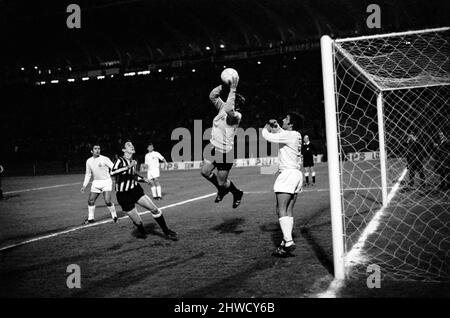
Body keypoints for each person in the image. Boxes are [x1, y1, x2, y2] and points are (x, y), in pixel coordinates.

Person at [111, 140, 177, 240]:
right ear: (124, 149)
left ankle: (166, 231)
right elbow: (113, 173)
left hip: (135, 190)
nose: (132, 146)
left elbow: (133, 176)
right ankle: (142, 233)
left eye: (132, 144)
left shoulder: (133, 161)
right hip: (123, 195)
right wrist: (128, 167)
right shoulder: (120, 161)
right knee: (138, 221)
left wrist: (144, 180)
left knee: (154, 209)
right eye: (129, 145)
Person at [262, 112, 303, 257]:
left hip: (288, 174)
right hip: (297, 174)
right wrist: (277, 126)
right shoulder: (295, 135)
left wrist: (265, 128)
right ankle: (285, 243)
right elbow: (281, 132)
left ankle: (289, 241)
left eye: (286, 119)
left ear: (291, 124)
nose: (283, 119)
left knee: (280, 210)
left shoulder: (290, 135)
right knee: (288, 210)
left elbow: (268, 136)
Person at [200, 75, 244, 209]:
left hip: (225, 153)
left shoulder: (236, 116)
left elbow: (229, 109)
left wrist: (233, 89)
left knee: (221, 182)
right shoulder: (223, 107)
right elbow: (212, 96)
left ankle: (237, 193)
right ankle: (223, 190)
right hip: (213, 147)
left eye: (233, 100)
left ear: (237, 105)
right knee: (205, 172)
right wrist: (223, 86)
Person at [80, 144, 117, 224]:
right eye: (95, 149)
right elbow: (88, 174)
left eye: (99, 149)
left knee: (107, 201)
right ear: (91, 151)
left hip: (106, 182)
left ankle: (114, 215)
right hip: (96, 183)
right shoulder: (89, 161)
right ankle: (90, 218)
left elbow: (114, 167)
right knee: (90, 200)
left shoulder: (105, 159)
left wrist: (115, 174)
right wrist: (84, 185)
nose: (97, 150)